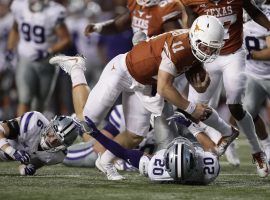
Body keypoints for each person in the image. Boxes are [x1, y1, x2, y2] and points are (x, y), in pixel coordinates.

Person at [50, 15, 238, 180]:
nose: (209, 52)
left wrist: (199, 73)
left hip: (145, 83)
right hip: (122, 71)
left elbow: (186, 63)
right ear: (197, 39)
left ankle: (104, 161)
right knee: (87, 122)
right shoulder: (179, 47)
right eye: (206, 47)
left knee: (134, 136)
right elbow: (164, 88)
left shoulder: (193, 43)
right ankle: (76, 67)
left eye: (213, 49)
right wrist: (190, 108)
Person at [180, 0, 270, 177]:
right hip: (207, 55)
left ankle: (257, 152)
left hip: (234, 54)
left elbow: (255, 12)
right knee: (192, 111)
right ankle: (220, 139)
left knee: (235, 106)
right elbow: (191, 21)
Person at [80, 117, 219, 185]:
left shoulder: (156, 170)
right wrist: (190, 125)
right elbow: (211, 147)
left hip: (162, 153)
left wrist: (96, 133)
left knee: (159, 114)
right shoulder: (209, 169)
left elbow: (122, 152)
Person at [6, 0, 72, 116]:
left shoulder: (54, 11)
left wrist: (48, 51)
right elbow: (15, 29)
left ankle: (34, 130)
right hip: (26, 60)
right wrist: (10, 49)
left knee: (40, 104)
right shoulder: (19, 6)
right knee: (24, 98)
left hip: (47, 62)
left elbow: (66, 40)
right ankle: (21, 130)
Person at [0, 111, 80, 176]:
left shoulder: (58, 156)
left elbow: (39, 160)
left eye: (58, 141)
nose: (51, 140)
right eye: (52, 133)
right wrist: (11, 151)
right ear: (50, 125)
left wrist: (29, 167)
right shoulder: (34, 122)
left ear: (63, 146)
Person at [243, 0, 270, 163]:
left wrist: (251, 55)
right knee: (247, 111)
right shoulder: (240, 12)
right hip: (253, 75)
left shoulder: (266, 15)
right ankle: (266, 144)